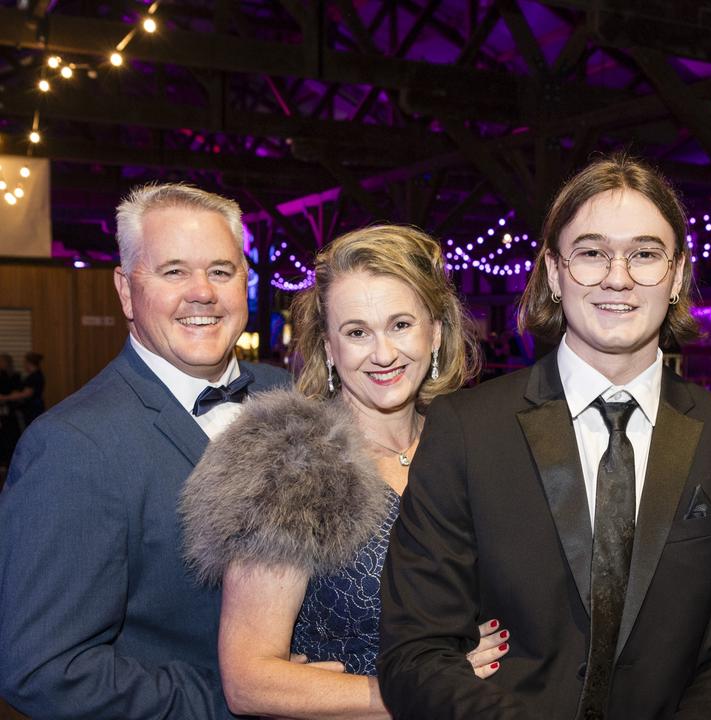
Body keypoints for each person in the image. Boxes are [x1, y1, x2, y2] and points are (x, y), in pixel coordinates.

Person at [378, 154, 711, 719]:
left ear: (679, 275)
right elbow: (414, 652)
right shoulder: (466, 431)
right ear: (552, 271)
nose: (618, 277)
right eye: (591, 253)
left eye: (644, 254)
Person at [180, 225, 507, 719]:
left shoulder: (470, 444)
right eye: (357, 332)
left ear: (436, 331)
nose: (383, 354)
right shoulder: (291, 460)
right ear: (330, 348)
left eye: (401, 325)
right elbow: (249, 681)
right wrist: (423, 691)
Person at [0, 182, 292, 718]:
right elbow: (45, 671)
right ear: (125, 289)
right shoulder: (72, 446)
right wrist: (250, 700)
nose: (202, 292)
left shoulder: (291, 397)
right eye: (174, 271)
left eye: (222, 271)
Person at [0, 352, 46, 430]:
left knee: (31, 429)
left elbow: (26, 394)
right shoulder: (34, 375)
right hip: (32, 408)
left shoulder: (35, 376)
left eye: (25, 362)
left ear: (29, 363)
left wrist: (4, 397)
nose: (24, 365)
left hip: (33, 409)